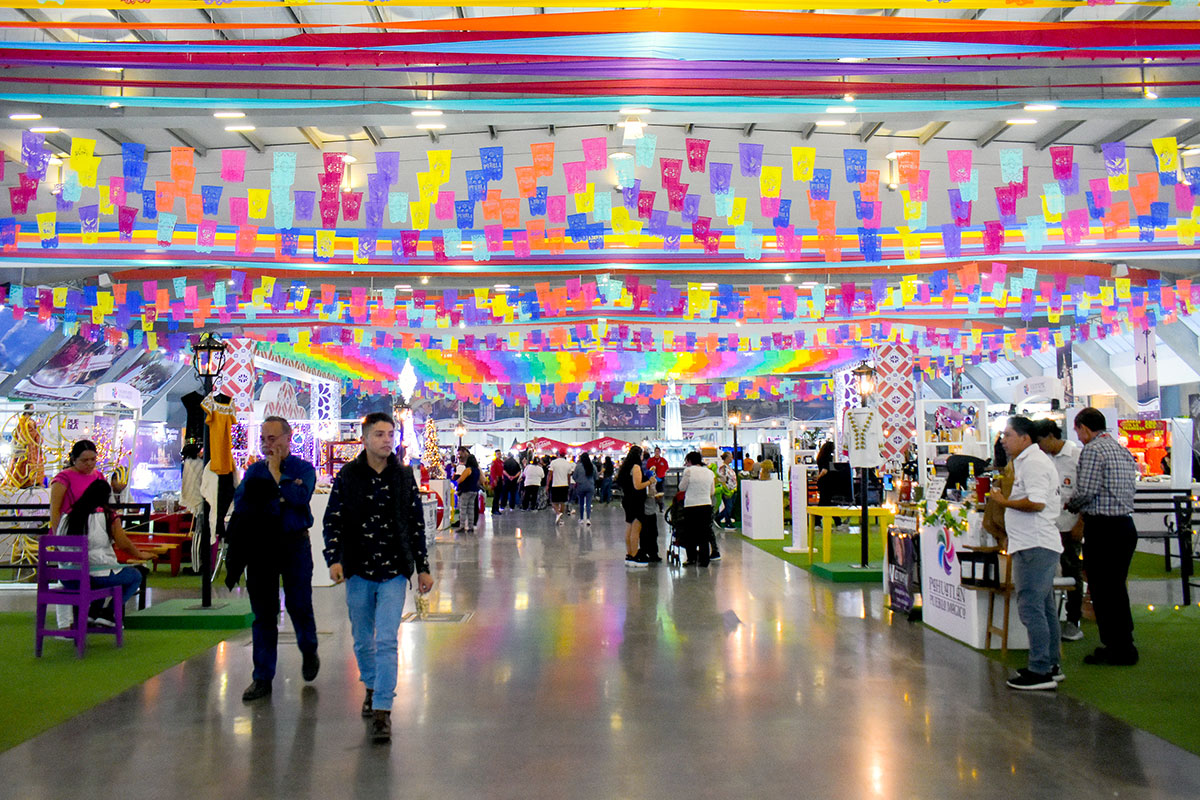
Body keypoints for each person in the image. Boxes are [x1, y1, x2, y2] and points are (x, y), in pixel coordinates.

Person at [323, 413, 433, 743]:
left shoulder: (403, 476)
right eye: (381, 434)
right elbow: (333, 519)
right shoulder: (348, 475)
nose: (388, 440)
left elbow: (416, 523)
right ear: (366, 438)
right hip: (358, 568)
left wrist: (422, 566)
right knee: (361, 637)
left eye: (391, 434)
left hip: (394, 570)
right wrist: (335, 559)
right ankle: (371, 684)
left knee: (386, 639)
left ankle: (383, 710)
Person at [234, 416, 319, 703]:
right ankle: (262, 677)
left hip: (294, 544)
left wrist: (275, 478)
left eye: (273, 439)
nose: (268, 444)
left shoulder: (303, 469)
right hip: (261, 547)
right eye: (264, 439)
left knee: (298, 604)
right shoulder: (253, 472)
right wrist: (278, 491)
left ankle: (308, 649)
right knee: (264, 614)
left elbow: (299, 496)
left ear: (287, 438)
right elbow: (244, 503)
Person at [990, 416, 1064, 691]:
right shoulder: (1028, 462)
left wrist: (1003, 502)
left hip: (1034, 545)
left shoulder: (1032, 463)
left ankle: (1040, 669)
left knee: (1031, 607)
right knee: (1043, 609)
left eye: (1008, 435)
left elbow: (1036, 503)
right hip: (1034, 543)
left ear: (1025, 438)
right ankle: (1050, 664)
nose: (1003, 441)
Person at [1065, 407, 1140, 666]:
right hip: (1124, 526)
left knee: (1103, 589)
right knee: (1116, 588)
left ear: (1084, 428)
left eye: (1078, 431)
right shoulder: (1121, 449)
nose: (1079, 437)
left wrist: (1070, 504)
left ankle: (1116, 648)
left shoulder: (1093, 450)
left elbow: (1087, 490)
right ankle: (1124, 643)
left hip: (1103, 529)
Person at [61, 478, 154, 626]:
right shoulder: (107, 514)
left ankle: (93, 614)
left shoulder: (68, 515)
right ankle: (109, 613)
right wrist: (141, 555)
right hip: (93, 574)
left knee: (106, 574)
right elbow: (123, 544)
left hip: (69, 576)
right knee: (136, 575)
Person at [1034, 419, 1086, 642]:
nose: (1039, 446)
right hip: (1045, 525)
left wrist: (1080, 524)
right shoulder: (1041, 458)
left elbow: (1086, 492)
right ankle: (1050, 619)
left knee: (1071, 571)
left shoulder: (1076, 456)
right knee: (1046, 573)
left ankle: (1074, 620)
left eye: (1040, 441)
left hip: (1068, 524)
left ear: (1050, 436)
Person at [49, 440, 106, 533]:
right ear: (74, 459)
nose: (89, 463)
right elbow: (55, 510)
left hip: (95, 530)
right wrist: (58, 536)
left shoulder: (99, 476)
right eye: (84, 460)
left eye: (93, 459)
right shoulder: (63, 478)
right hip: (69, 530)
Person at [618, 446, 655, 565]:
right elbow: (638, 485)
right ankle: (635, 556)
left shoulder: (625, 467)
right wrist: (650, 481)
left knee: (629, 527)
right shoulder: (636, 467)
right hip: (636, 500)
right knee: (636, 529)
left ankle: (629, 554)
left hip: (627, 499)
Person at [679, 452, 716, 567]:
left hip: (691, 505)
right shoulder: (710, 473)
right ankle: (704, 559)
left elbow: (682, 487)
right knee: (704, 533)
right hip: (706, 505)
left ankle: (692, 558)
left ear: (689, 460)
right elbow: (712, 491)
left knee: (691, 533)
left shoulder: (689, 471)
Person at [456, 446, 481, 534]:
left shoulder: (468, 470)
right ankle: (471, 527)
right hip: (474, 491)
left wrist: (454, 483)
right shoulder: (477, 470)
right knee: (471, 509)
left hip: (466, 491)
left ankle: (462, 526)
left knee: (463, 509)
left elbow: (460, 480)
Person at [548, 449, 574, 525]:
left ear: (558, 454)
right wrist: (568, 484)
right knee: (562, 502)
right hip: (565, 485)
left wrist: (547, 485)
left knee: (553, 502)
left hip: (555, 484)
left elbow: (550, 474)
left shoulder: (553, 463)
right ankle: (560, 519)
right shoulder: (568, 464)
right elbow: (568, 476)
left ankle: (558, 513)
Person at [715, 452, 738, 528]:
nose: (732, 459)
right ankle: (721, 519)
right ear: (727, 458)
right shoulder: (723, 468)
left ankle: (726, 520)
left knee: (729, 507)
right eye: (731, 457)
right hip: (727, 491)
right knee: (729, 507)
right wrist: (726, 489)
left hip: (732, 490)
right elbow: (722, 479)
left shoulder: (729, 467)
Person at [573, 453, 596, 526]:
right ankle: (588, 519)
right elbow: (596, 476)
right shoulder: (592, 466)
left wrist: (578, 480)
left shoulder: (578, 466)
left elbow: (574, 476)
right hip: (590, 486)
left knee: (581, 503)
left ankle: (582, 519)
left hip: (581, 486)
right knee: (588, 503)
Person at [488, 450, 506, 516]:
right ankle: (494, 509)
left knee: (499, 495)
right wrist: (494, 480)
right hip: (497, 479)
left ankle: (496, 508)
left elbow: (502, 471)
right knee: (496, 495)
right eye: (498, 454)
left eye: (500, 453)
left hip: (501, 479)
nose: (499, 455)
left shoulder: (501, 462)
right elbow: (492, 472)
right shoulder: (494, 462)